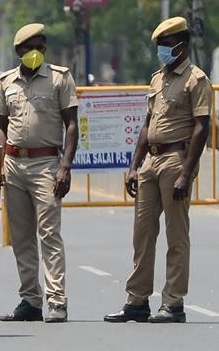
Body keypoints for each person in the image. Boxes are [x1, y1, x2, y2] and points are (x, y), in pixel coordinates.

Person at [104, 17, 211, 324]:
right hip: (151, 162)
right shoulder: (157, 79)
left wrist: (186, 174)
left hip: (177, 159)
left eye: (167, 44)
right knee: (142, 233)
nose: (162, 50)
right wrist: (134, 166)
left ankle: (173, 302)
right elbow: (146, 125)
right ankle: (137, 300)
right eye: (160, 46)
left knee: (176, 235)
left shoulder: (196, 80)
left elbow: (202, 129)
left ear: (182, 45)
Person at [0, 23, 79, 323]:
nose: (37, 53)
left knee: (49, 234)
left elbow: (72, 124)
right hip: (14, 164)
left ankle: (56, 300)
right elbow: (1, 126)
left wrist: (65, 167)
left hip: (46, 165)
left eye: (41, 47)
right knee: (20, 237)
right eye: (32, 48)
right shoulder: (7, 82)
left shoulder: (60, 78)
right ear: (20, 52)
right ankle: (30, 300)